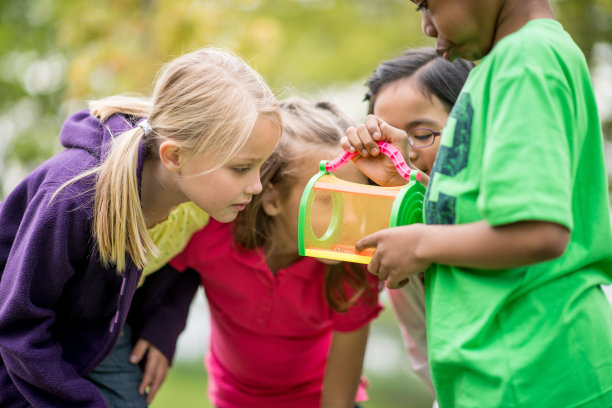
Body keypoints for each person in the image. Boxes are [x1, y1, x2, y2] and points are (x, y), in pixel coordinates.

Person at [342, 1, 612, 407]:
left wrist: (418, 244)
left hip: (532, 372)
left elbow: (539, 231)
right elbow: (475, 211)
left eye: (427, 4)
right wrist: (404, 177)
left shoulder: (526, 61)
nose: (427, 27)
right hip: (509, 372)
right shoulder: (501, 67)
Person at [0, 47, 281, 407]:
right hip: (21, 338)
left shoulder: (200, 205)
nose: (257, 186)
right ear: (175, 156)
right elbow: (17, 322)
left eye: (260, 166)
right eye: (242, 168)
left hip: (95, 328)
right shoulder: (74, 197)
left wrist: (163, 327)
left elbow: (184, 262)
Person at [167, 97, 383, 408]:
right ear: (271, 199)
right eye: (328, 199)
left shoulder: (352, 268)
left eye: (355, 198)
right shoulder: (210, 235)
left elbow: (338, 400)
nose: (349, 218)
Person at [363, 47, 473, 403]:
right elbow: (427, 355)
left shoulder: (508, 217)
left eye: (422, 134)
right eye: (386, 142)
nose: (404, 154)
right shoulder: (395, 238)